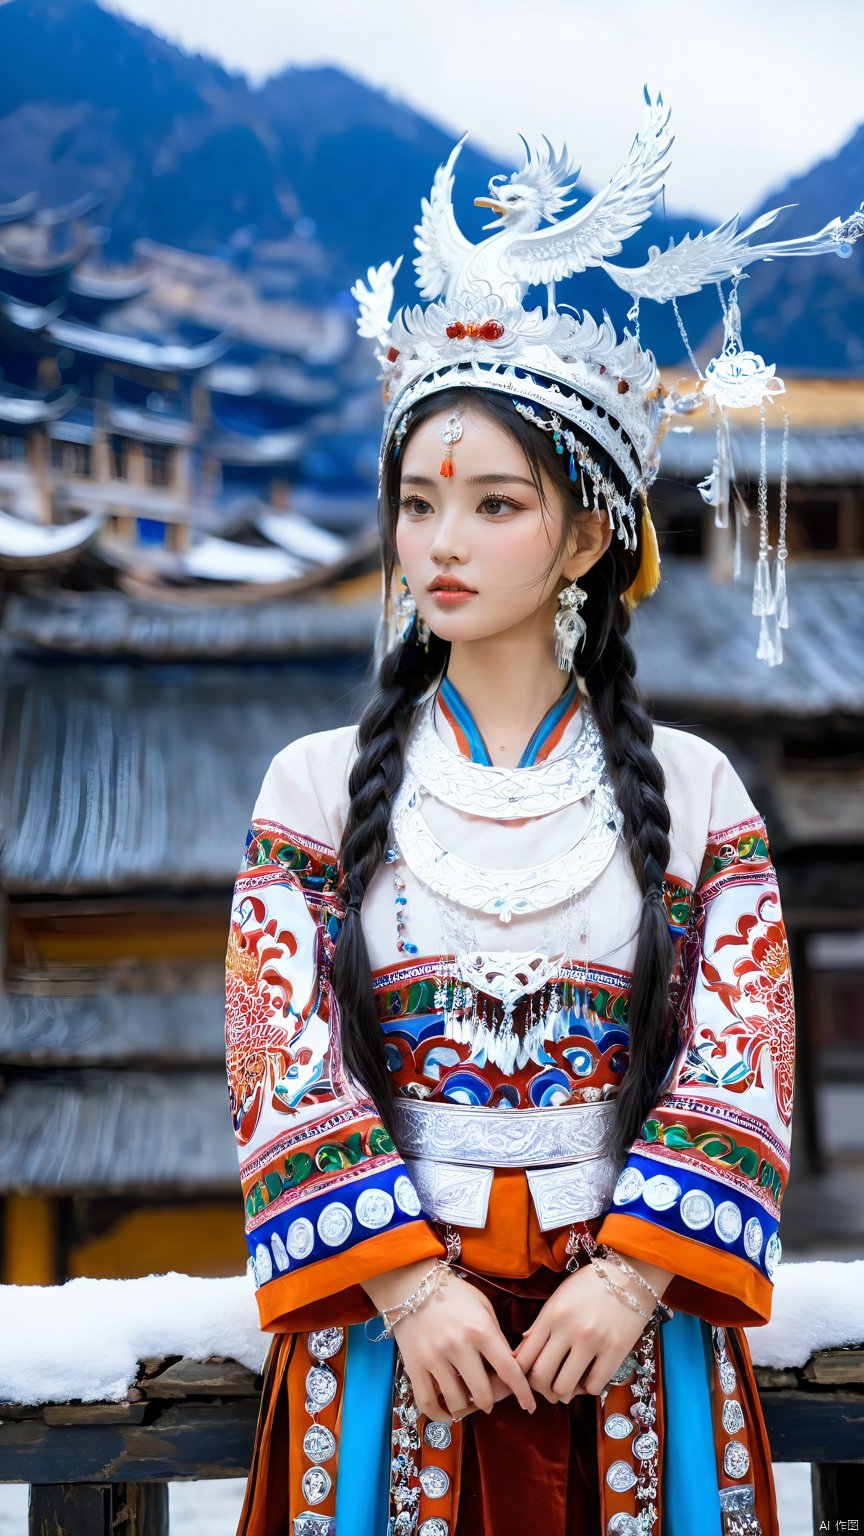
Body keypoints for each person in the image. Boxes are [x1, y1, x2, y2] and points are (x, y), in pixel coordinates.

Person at [225, 101, 811, 1536]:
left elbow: (746, 1052)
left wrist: (630, 1278)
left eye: (494, 503)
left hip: (632, 1346)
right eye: (420, 503)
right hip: (392, 1350)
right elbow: (275, 1055)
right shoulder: (312, 786)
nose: (442, 542)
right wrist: (408, 1287)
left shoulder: (700, 788)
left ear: (593, 534)